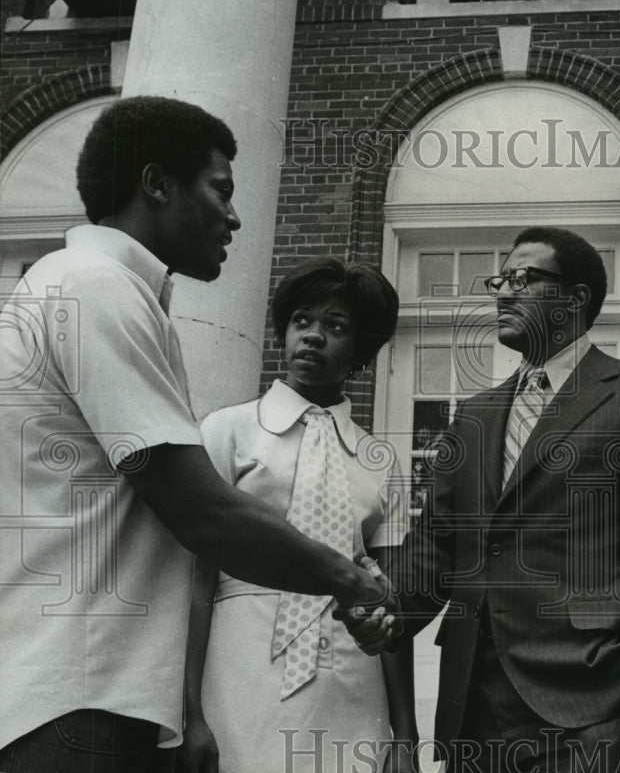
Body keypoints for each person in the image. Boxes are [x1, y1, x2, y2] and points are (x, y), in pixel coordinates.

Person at [0, 96, 393, 773]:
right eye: (222, 191)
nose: (235, 216)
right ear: (156, 184)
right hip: (81, 697)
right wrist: (353, 583)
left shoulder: (78, 287)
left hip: (89, 691)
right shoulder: (97, 289)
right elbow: (204, 515)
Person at [361, 226, 620, 772]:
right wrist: (384, 607)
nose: (502, 292)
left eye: (523, 279)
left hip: (588, 706)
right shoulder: (475, 414)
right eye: (501, 279)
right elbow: (436, 545)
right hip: (471, 705)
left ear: (575, 298)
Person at [179, 257, 416, 773]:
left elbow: (392, 608)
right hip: (242, 659)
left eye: (335, 327)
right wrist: (188, 712)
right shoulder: (228, 431)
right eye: (301, 321)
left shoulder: (379, 461)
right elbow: (194, 581)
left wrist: (406, 734)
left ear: (361, 349)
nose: (312, 336)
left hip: (350, 679)